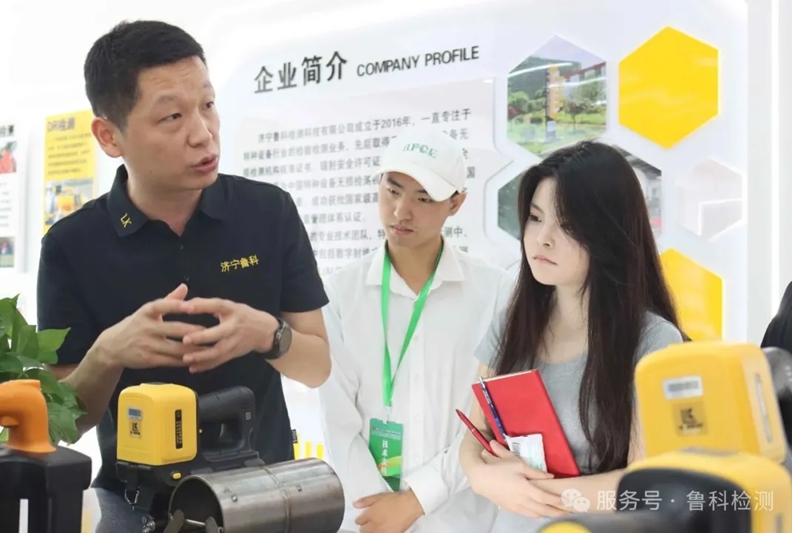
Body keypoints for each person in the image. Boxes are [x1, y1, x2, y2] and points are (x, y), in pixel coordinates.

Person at [36, 19, 331, 505]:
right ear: (109, 136)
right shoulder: (71, 245)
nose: (203, 134)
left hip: (265, 494)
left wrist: (266, 334)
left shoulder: (268, 211)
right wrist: (108, 352)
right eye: (172, 116)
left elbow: (317, 367)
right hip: (137, 505)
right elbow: (63, 424)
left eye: (208, 105)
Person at [458, 141, 685, 532]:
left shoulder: (654, 342)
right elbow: (473, 439)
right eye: (535, 217)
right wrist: (481, 477)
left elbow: (643, 485)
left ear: (608, 233)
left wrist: (530, 492)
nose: (542, 238)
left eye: (567, 225)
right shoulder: (511, 324)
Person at [319, 125, 511, 533]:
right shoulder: (340, 293)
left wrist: (417, 500)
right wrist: (377, 509)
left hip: (464, 520)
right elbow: (337, 422)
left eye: (423, 198)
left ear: (456, 203)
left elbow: (489, 420)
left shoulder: (495, 292)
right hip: (368, 519)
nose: (401, 211)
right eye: (392, 190)